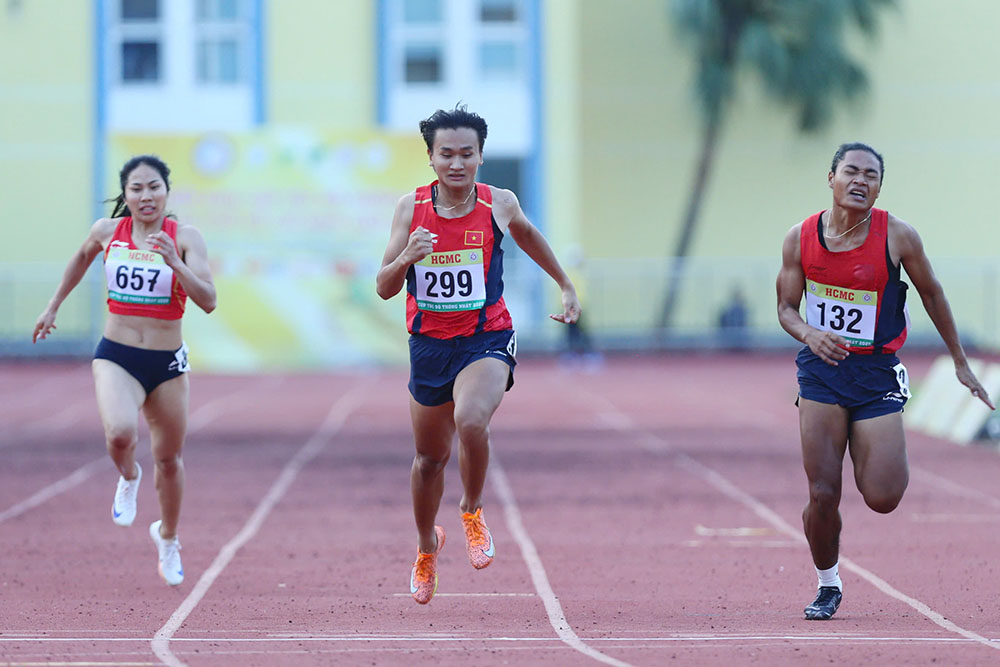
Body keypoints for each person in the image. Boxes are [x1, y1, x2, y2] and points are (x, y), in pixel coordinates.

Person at [776, 142, 994, 620]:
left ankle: (863, 458)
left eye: (871, 175)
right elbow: (786, 309)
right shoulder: (800, 237)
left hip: (876, 373)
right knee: (822, 492)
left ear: (879, 187)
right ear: (830, 177)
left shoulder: (898, 236)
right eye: (851, 171)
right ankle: (827, 582)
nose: (860, 181)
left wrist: (959, 360)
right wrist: (810, 334)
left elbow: (932, 292)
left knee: (883, 497)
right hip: (822, 373)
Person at [376, 105, 580, 604]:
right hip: (429, 344)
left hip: (485, 336)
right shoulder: (411, 209)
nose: (457, 163)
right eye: (446, 154)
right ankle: (427, 546)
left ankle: (472, 510)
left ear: (481, 156)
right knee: (428, 460)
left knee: (471, 419)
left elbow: (529, 237)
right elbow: (383, 288)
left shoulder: (498, 203)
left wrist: (565, 284)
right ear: (430, 157)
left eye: (467, 153)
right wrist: (407, 256)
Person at [34, 155, 217, 586]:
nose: (146, 196)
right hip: (116, 354)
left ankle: (168, 537)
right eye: (136, 189)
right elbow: (80, 259)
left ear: (166, 191)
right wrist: (53, 304)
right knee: (119, 433)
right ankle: (129, 476)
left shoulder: (185, 238)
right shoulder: (107, 232)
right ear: (126, 195)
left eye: (154, 187)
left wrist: (176, 262)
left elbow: (208, 299)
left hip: (167, 364)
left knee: (169, 459)